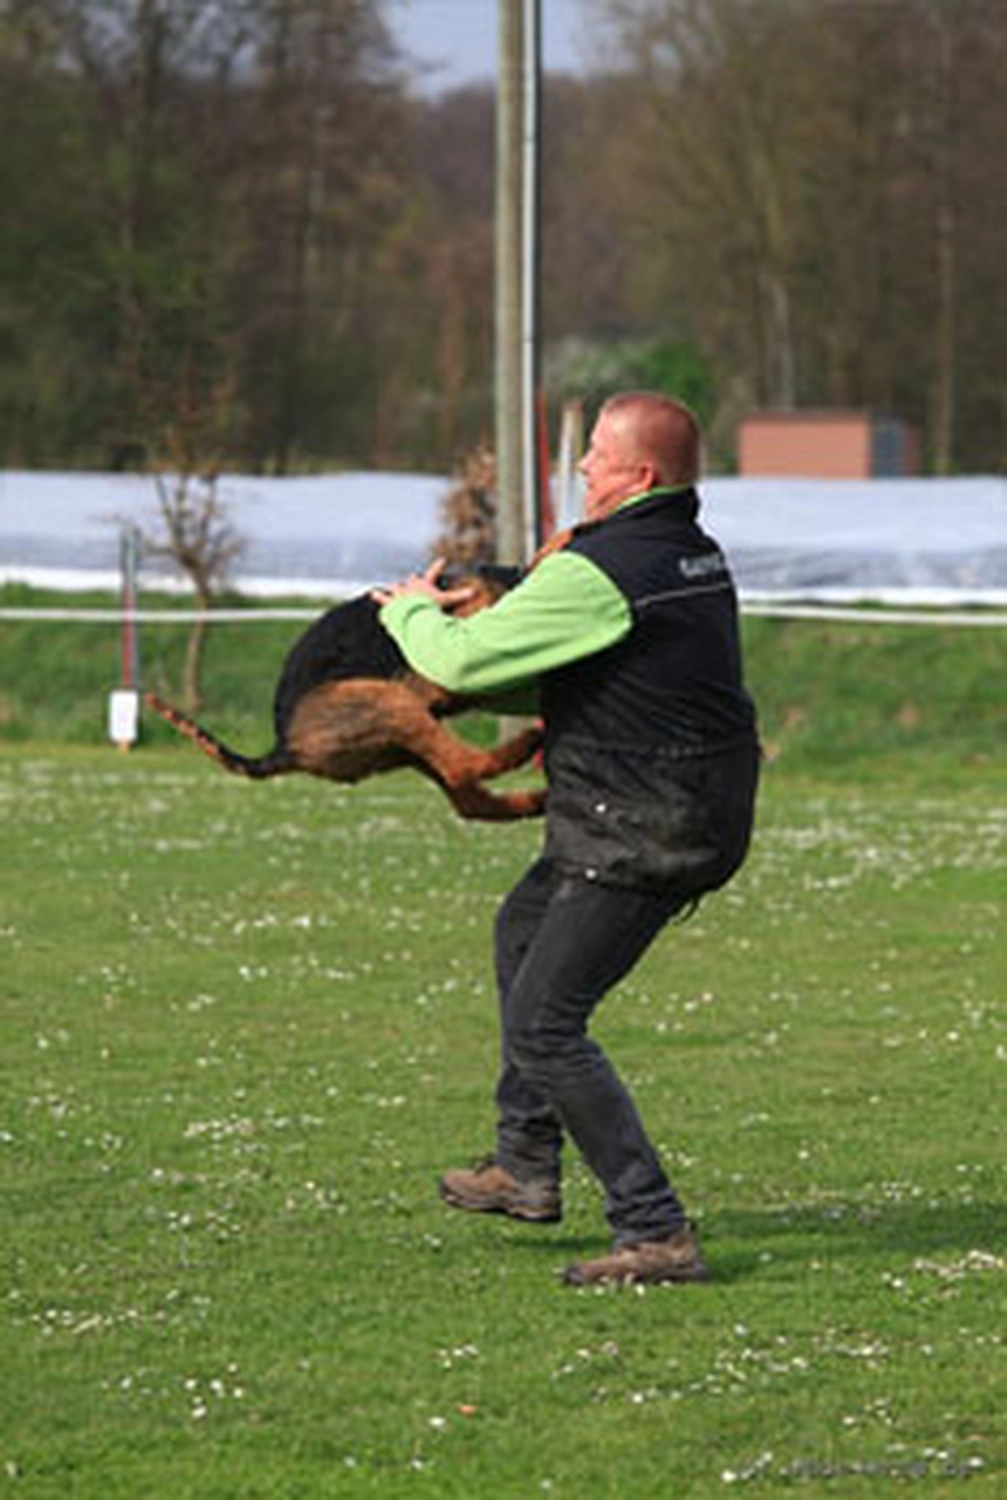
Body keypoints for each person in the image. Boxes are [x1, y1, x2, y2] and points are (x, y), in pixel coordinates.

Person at [373, 392, 759, 1286]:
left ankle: (654, 1230)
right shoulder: (685, 552)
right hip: (662, 809)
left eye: (596, 453)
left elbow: (461, 661)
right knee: (520, 931)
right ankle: (524, 1167)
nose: (581, 466)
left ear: (641, 474)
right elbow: (574, 680)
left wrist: (410, 613)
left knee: (547, 1024)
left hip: (645, 827)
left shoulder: (605, 567)